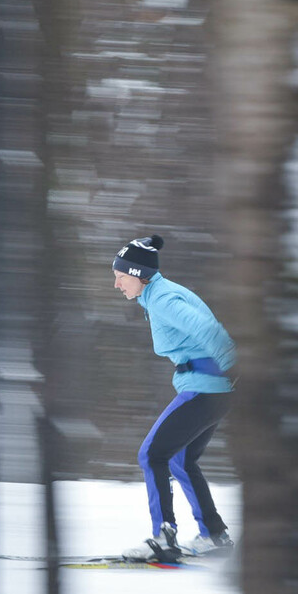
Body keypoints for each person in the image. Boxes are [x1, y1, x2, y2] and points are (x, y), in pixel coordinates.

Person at [110, 234, 237, 561]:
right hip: (212, 389)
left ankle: (163, 537)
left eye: (120, 277)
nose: (116, 284)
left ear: (137, 275)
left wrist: (235, 367)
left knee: (152, 455)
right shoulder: (159, 294)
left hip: (205, 388)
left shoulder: (163, 299)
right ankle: (214, 535)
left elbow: (209, 330)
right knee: (181, 459)